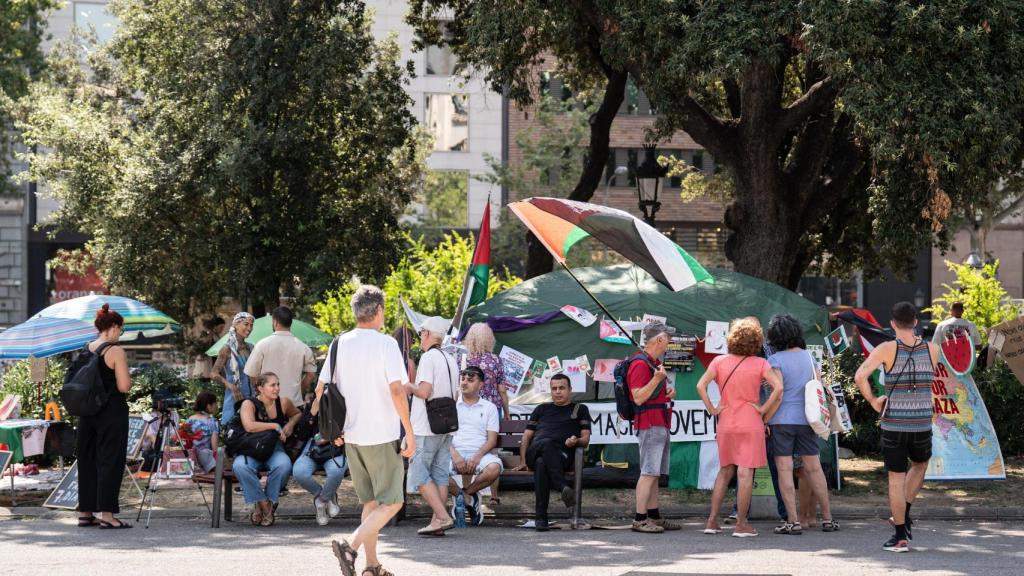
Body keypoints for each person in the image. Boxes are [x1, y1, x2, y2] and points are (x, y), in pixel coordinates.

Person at [329, 285, 416, 576]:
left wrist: (333, 429)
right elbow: (396, 389)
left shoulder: (338, 343)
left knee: (371, 502)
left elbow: (323, 390)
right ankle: (350, 547)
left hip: (352, 435)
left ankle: (371, 566)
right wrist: (409, 430)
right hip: (382, 434)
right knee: (393, 502)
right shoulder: (386, 344)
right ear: (378, 311)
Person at [855, 301, 940, 553]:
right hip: (922, 422)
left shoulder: (885, 349)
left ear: (892, 324)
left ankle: (900, 534)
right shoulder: (933, 349)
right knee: (920, 465)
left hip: (893, 423)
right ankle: (906, 510)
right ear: (915, 322)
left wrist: (873, 401)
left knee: (895, 478)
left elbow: (860, 375)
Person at [697, 317, 782, 538]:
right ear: (757, 340)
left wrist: (713, 409)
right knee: (746, 474)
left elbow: (700, 385)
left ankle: (712, 521)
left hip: (725, 422)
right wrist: (763, 409)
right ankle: (741, 524)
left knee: (724, 471)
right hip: (751, 422)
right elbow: (779, 388)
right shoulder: (761, 364)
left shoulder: (718, 362)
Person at [765, 314, 838, 535]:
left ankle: (793, 521)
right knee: (814, 469)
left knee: (785, 470)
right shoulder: (809, 357)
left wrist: (765, 418)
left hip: (781, 421)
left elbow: (777, 394)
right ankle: (827, 518)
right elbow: (818, 386)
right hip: (808, 419)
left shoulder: (774, 360)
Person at [76, 304, 133, 529]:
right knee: (110, 460)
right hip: (111, 412)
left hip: (87, 412)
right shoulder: (115, 350)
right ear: (113, 327)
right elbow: (124, 386)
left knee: (87, 460)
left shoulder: (86, 348)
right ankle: (107, 515)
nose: (120, 333)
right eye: (120, 329)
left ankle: (85, 512)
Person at [513, 373, 591, 531]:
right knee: (545, 444)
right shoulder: (542, 409)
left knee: (542, 463)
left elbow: (586, 438)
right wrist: (522, 461)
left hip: (562, 456)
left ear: (570, 389)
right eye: (554, 388)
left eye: (561, 388)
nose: (557, 391)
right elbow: (527, 436)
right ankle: (562, 486)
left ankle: (541, 518)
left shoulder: (580, 409)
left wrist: (576, 441)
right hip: (535, 451)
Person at [405, 316, 460, 536]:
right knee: (439, 473)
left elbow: (424, 392)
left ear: (427, 334)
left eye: (421, 333)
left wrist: (408, 386)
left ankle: (443, 516)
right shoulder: (450, 358)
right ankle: (437, 521)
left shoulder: (428, 359)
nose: (420, 337)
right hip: (446, 425)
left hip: (426, 426)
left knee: (419, 474)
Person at [628, 321, 680, 533]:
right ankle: (640, 519)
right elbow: (638, 397)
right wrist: (657, 378)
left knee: (655, 473)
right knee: (648, 472)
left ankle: (654, 515)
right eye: (667, 338)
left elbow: (649, 393)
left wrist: (666, 392)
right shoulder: (640, 364)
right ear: (659, 339)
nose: (669, 342)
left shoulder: (651, 362)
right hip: (650, 423)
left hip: (660, 420)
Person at [234, 372, 301, 527]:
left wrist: (290, 424)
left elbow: (297, 414)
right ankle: (263, 503)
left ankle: (268, 502)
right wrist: (275, 426)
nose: (277, 388)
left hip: (274, 448)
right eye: (272, 385)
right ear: (260, 388)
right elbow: (249, 426)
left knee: (284, 465)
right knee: (240, 466)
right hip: (252, 448)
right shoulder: (248, 404)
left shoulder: (283, 403)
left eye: (278, 384)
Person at [447, 365, 502, 526]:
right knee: (432, 470)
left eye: (470, 380)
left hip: (481, 453)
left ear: (481, 385)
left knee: (494, 468)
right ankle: (467, 499)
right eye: (462, 379)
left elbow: (492, 440)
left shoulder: (489, 407)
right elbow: (444, 437)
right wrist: (455, 455)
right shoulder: (452, 406)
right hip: (454, 452)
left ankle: (465, 495)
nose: (464, 383)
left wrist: (477, 456)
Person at [463, 322, 510, 507]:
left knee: (468, 448)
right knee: (492, 451)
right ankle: (494, 495)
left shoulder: (466, 360)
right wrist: (507, 412)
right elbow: (502, 389)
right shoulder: (496, 360)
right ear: (489, 338)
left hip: (470, 408)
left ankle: (467, 492)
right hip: (493, 409)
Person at [293, 390, 347, 526]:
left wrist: (335, 436)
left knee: (337, 470)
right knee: (299, 472)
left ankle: (321, 502)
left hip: (335, 449)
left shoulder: (346, 403)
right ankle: (328, 497)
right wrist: (312, 414)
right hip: (313, 449)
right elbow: (302, 434)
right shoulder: (313, 403)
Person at [245, 306, 317, 408]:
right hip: (294, 405)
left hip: (268, 404)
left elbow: (252, 374)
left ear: (275, 322)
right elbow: (311, 375)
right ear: (290, 322)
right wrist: (298, 390)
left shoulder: (262, 344)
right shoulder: (303, 347)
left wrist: (260, 391)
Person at [211, 312, 255, 425]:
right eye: (246, 324)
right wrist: (230, 386)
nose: (249, 328)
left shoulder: (251, 348)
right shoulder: (227, 349)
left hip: (251, 398)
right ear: (236, 324)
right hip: (235, 398)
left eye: (251, 325)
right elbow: (214, 373)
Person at [186, 391, 220, 473]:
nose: (217, 406)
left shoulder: (190, 420)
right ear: (208, 405)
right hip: (205, 458)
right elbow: (214, 446)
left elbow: (185, 440)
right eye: (215, 403)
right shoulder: (212, 421)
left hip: (190, 457)